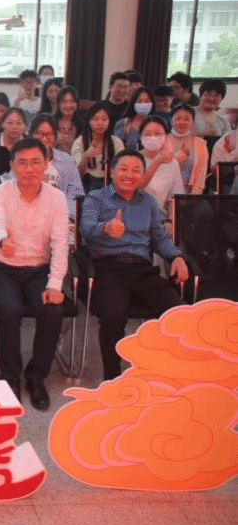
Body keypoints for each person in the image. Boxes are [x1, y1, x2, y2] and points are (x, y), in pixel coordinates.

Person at [80, 149, 189, 380]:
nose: (129, 175)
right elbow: (86, 228)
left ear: (142, 175)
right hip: (108, 268)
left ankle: (166, 374)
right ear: (112, 171)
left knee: (177, 313)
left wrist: (177, 257)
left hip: (142, 269)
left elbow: (159, 239)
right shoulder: (96, 198)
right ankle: (112, 379)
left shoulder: (148, 201)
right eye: (124, 169)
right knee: (113, 316)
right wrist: (106, 228)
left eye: (136, 170)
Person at [0, 138, 68, 409]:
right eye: (22, 163)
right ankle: (9, 376)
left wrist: (55, 284)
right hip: (3, 267)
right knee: (9, 310)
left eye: (35, 162)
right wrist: (1, 240)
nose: (29, 169)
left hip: (38, 270)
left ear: (46, 164)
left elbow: (60, 244)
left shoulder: (57, 198)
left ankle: (36, 376)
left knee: (52, 310)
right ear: (12, 165)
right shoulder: (0, 192)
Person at [21, 114, 84, 220]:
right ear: (31, 134)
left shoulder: (66, 160)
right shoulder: (22, 158)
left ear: (56, 135)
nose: (44, 138)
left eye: (49, 134)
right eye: (39, 133)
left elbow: (76, 195)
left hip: (61, 217)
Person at [137, 116, 184, 221]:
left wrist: (171, 222)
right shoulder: (133, 158)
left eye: (158, 134)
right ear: (140, 136)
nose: (153, 137)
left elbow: (174, 198)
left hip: (160, 219)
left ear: (166, 136)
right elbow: (137, 187)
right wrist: (157, 161)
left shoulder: (173, 163)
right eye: (148, 134)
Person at [71, 101, 124, 193]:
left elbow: (122, 168)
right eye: (95, 119)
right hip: (86, 187)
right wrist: (86, 156)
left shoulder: (116, 142)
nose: (100, 123)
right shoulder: (80, 142)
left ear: (109, 121)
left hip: (111, 187)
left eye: (104, 119)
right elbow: (77, 175)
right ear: (89, 121)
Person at [167, 104, 209, 194]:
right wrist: (177, 158)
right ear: (171, 120)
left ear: (193, 122)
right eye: (178, 119)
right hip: (164, 192)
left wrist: (193, 197)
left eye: (187, 119)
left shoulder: (200, 143)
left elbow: (201, 176)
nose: (182, 122)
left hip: (189, 195)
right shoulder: (163, 140)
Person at [114, 86, 155, 150]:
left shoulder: (157, 124)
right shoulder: (123, 125)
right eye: (139, 101)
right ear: (133, 103)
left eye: (147, 101)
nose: (143, 104)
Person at [54, 85, 84, 154]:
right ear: (58, 104)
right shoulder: (51, 123)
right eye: (64, 102)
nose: (68, 105)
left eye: (72, 101)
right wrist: (55, 142)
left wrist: (74, 143)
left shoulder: (81, 125)